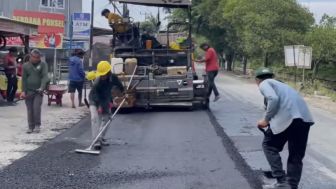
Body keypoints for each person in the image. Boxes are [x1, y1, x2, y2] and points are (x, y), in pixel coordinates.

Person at [255, 67, 314, 189]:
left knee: (269, 145)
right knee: (296, 154)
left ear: (257, 80)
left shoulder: (264, 83)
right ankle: (291, 185)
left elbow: (273, 99)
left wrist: (265, 120)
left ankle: (281, 181)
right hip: (305, 120)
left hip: (290, 118)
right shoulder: (284, 86)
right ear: (272, 76)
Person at [88, 61, 124, 150]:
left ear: (108, 72)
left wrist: (124, 93)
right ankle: (96, 141)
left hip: (105, 98)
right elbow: (97, 96)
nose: (102, 76)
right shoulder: (97, 82)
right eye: (101, 74)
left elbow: (120, 86)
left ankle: (100, 138)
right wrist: (101, 106)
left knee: (107, 119)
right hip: (94, 99)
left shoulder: (113, 78)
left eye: (104, 74)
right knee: (94, 118)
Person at [21, 49, 49, 134]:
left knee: (36, 108)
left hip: (38, 91)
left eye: (38, 57)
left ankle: (37, 125)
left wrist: (42, 87)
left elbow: (45, 77)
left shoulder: (43, 64)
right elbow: (24, 79)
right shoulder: (25, 66)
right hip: (28, 91)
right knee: (29, 109)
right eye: (35, 57)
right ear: (30, 56)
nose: (36, 59)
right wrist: (23, 91)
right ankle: (30, 126)